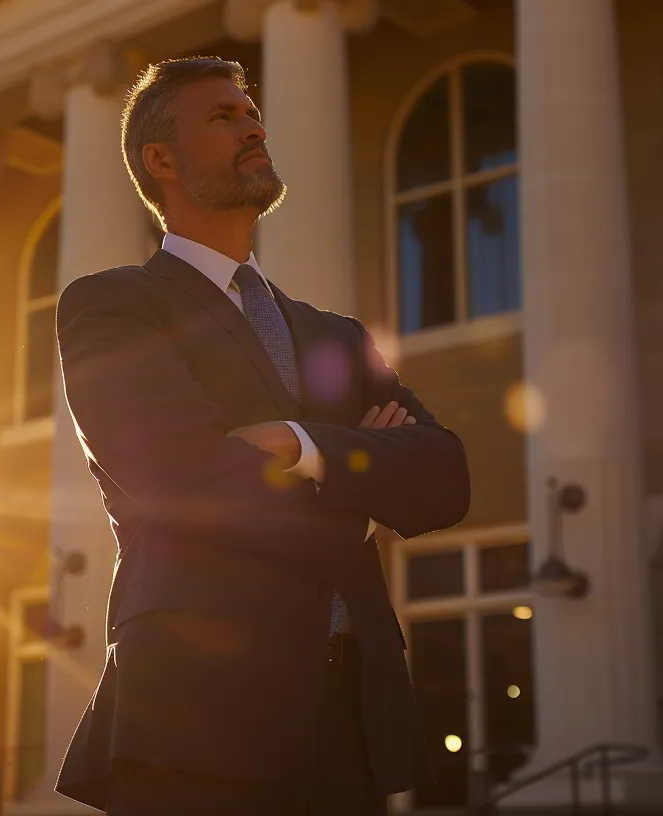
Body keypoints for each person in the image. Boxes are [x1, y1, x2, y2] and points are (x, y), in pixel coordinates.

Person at [51, 56, 471, 815]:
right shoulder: (114, 308)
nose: (255, 126)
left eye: (252, 113)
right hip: (193, 725)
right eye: (224, 117)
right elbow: (185, 486)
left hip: (349, 729)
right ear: (161, 160)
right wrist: (361, 483)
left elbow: (445, 478)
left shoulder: (335, 336)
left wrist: (296, 445)